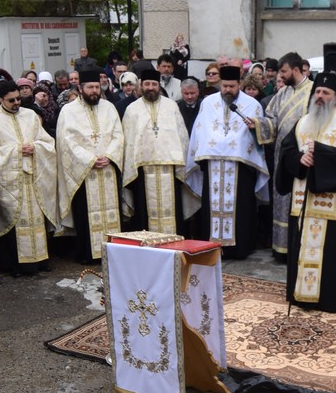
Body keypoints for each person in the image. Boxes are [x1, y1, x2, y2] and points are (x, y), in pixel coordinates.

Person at [275, 71, 336, 313]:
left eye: (326, 93)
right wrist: (300, 159)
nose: (320, 96)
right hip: (302, 200)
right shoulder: (303, 122)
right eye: (318, 92)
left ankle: (330, 300)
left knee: (331, 255)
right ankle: (301, 296)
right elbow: (287, 152)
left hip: (333, 204)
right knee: (301, 247)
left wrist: (321, 155)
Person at [185, 65, 272, 259]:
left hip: (242, 167)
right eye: (224, 86)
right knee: (211, 208)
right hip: (213, 165)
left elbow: (265, 134)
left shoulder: (252, 104)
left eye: (232, 86)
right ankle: (213, 246)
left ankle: (240, 248)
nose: (227, 90)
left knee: (242, 208)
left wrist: (255, 127)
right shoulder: (207, 103)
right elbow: (199, 131)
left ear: (239, 84)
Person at [0, 80, 59, 275]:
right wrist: (17, 150)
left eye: (18, 98)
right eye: (11, 100)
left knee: (35, 218)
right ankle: (15, 265)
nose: (16, 103)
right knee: (14, 220)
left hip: (32, 177)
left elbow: (47, 142)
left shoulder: (30, 115)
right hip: (9, 180)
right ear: (0, 100)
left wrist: (36, 147)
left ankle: (41, 259)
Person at [55, 66, 126, 262]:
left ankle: (113, 252)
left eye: (97, 87)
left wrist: (110, 156)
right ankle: (88, 253)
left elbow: (118, 135)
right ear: (80, 88)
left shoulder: (109, 107)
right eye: (90, 87)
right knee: (85, 213)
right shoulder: (68, 111)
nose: (94, 91)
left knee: (112, 211)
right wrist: (91, 160)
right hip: (84, 172)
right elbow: (66, 142)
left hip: (108, 169)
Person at [121, 65, 192, 236]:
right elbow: (129, 142)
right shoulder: (132, 110)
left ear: (159, 86)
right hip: (142, 171)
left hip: (170, 168)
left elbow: (181, 137)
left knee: (173, 211)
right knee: (144, 211)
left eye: (154, 84)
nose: (150, 88)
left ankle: (174, 243)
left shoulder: (171, 106)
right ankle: (147, 247)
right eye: (147, 84)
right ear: (141, 86)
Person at [263, 53, 314, 260]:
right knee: (282, 198)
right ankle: (281, 248)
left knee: (300, 199)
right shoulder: (282, 94)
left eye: (283, 71)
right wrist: (257, 124)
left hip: (304, 156)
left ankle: (299, 246)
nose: (280, 76)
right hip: (282, 155)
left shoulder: (313, 91)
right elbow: (271, 120)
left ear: (295, 69)